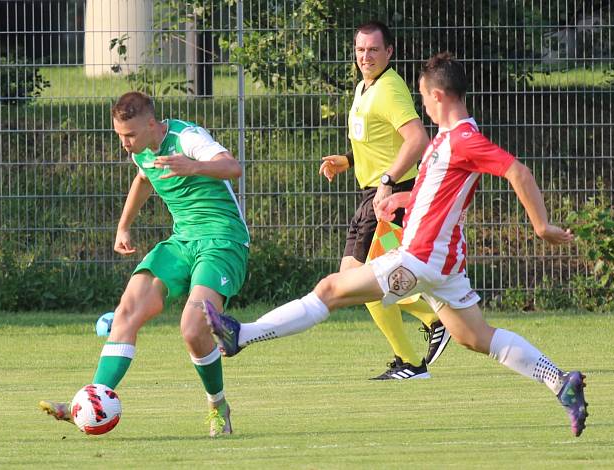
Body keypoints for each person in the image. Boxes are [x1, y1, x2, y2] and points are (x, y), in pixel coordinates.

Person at [205, 52, 589, 437]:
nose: (421, 103)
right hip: (444, 263)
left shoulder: (464, 140)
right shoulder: (444, 141)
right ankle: (560, 381)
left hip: (421, 258)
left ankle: (241, 335)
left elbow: (517, 172)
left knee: (330, 289)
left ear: (438, 95)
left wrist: (541, 226)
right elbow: (435, 194)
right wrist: (399, 200)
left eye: (422, 96)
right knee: (475, 337)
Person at [40, 91, 249, 437]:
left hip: (222, 240)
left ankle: (218, 406)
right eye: (120, 136)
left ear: (152, 124)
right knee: (127, 312)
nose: (125, 143)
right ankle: (92, 400)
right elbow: (143, 178)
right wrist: (124, 226)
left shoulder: (187, 138)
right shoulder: (142, 150)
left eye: (131, 135)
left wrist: (193, 165)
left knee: (193, 329)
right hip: (182, 242)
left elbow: (232, 167)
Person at [319, 20, 450, 380]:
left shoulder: (389, 88)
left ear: (389, 52)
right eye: (361, 50)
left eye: (374, 50)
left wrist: (388, 182)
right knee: (363, 280)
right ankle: (423, 337)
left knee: (360, 280)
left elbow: (417, 140)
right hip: (373, 197)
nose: (366, 56)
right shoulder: (365, 87)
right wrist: (346, 160)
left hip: (390, 199)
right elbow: (378, 142)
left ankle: (428, 330)